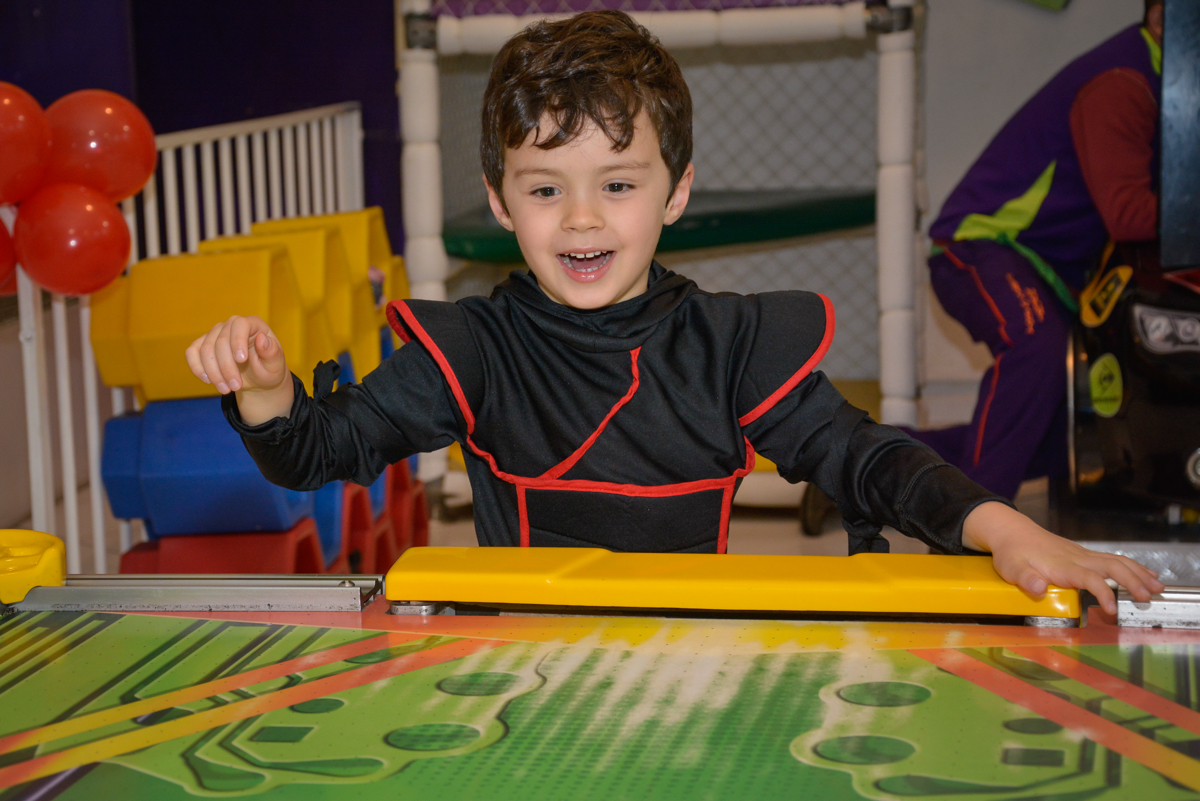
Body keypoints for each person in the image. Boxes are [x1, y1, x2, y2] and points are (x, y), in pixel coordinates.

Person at [185, 11, 1160, 614]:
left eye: (617, 183)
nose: (579, 219)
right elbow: (314, 454)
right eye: (543, 189)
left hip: (693, 653)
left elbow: (864, 458)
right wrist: (269, 393)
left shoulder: (730, 346)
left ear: (676, 192)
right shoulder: (475, 350)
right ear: (497, 199)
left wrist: (1001, 528)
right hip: (517, 668)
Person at [908, 1, 1164, 502]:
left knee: (1066, 433)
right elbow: (1129, 214)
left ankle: (868, 457)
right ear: (1161, 18)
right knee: (1036, 349)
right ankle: (973, 533)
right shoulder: (1125, 80)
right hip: (986, 243)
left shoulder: (1162, 82)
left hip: (1053, 272)